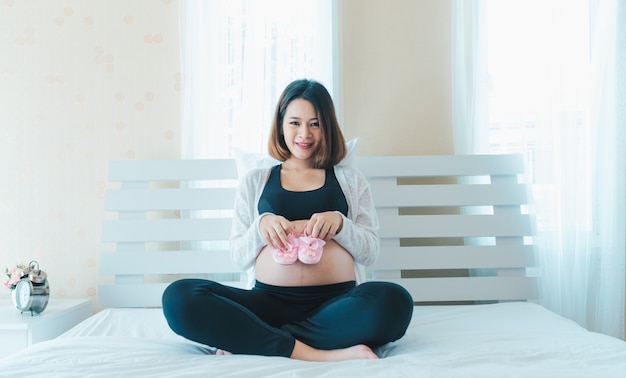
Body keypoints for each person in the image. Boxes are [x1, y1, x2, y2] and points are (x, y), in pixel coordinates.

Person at [162, 79, 414, 362]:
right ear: (281, 125)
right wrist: (260, 227)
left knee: (394, 301)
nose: (304, 134)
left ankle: (254, 337)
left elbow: (370, 252)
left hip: (337, 306)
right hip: (266, 303)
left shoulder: (351, 180)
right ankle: (313, 353)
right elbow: (238, 257)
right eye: (295, 122)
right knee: (179, 297)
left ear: (327, 127)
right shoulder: (256, 180)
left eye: (315, 124)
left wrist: (342, 225)